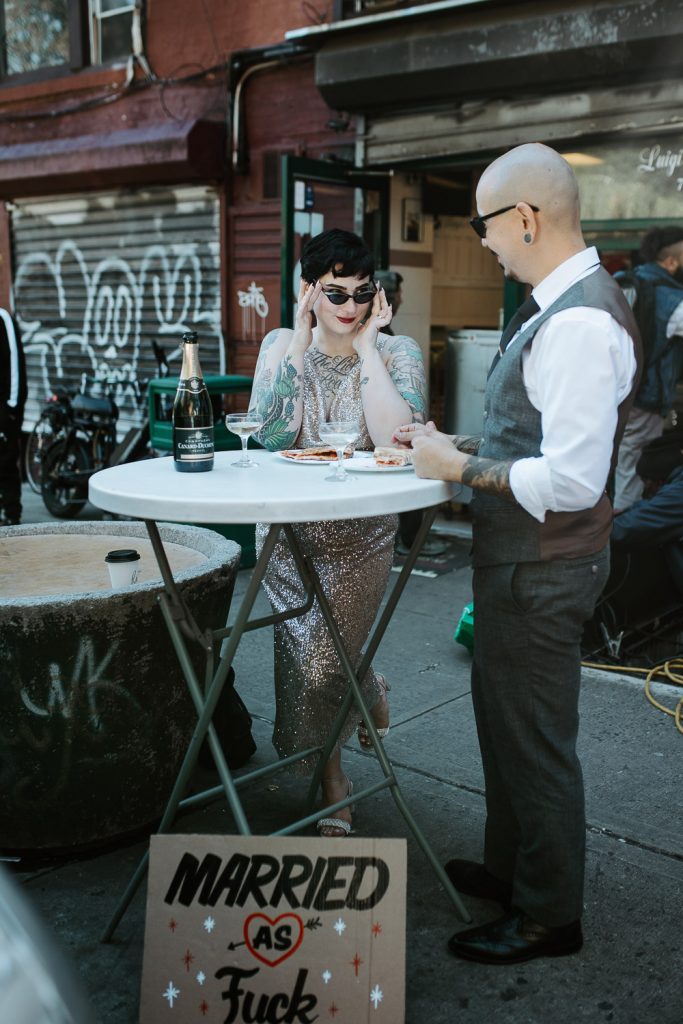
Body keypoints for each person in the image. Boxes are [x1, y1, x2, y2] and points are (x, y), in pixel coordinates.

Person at [394, 143, 641, 964]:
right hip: (529, 562)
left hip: (543, 567)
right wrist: (453, 445)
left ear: (525, 218)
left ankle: (547, 916)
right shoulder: (567, 304)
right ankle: (512, 871)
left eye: (484, 225)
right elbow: (531, 441)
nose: (486, 241)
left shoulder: (574, 320)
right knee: (503, 725)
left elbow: (570, 480)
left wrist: (455, 466)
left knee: (532, 742)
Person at [249, 228, 427, 836]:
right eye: (334, 294)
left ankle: (336, 774)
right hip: (286, 535)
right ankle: (339, 759)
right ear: (308, 292)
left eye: (361, 294)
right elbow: (273, 436)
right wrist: (300, 342)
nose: (349, 308)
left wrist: (371, 347)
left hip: (363, 535)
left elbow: (392, 437)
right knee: (307, 661)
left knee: (325, 667)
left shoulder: (397, 353)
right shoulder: (279, 344)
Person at [613, 226, 683, 512]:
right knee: (633, 466)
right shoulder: (672, 299)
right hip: (646, 395)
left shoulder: (623, 283)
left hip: (616, 391)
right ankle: (624, 537)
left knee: (618, 458)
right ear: (670, 263)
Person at [0, 306, 27, 527]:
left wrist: (11, 408)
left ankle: (11, 515)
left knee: (6, 462)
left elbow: (15, 365)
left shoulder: (3, 318)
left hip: (4, 411)